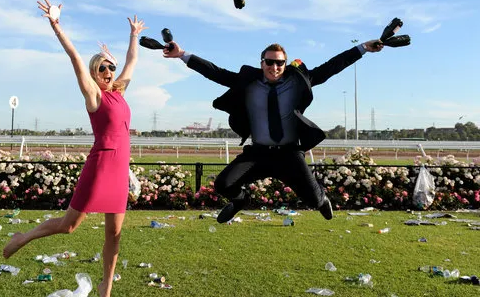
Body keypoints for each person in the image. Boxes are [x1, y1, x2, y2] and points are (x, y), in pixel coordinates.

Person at [3, 0, 146, 297]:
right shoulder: (94, 96)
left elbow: (132, 62)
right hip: (101, 166)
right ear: (95, 74)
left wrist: (134, 35)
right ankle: (22, 237)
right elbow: (75, 57)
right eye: (102, 68)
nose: (108, 71)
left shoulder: (119, 91)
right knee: (70, 226)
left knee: (115, 235)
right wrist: (56, 25)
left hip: (120, 170)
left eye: (109, 67)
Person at [163, 38, 384, 223]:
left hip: (289, 153)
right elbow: (215, 72)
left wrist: (362, 48)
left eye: (280, 63)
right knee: (223, 184)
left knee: (314, 201)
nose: (274, 67)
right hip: (258, 153)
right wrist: (182, 55)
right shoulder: (247, 82)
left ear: (285, 64)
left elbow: (332, 66)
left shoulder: (298, 81)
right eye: (269, 62)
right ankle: (240, 200)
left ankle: (321, 199)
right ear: (262, 63)